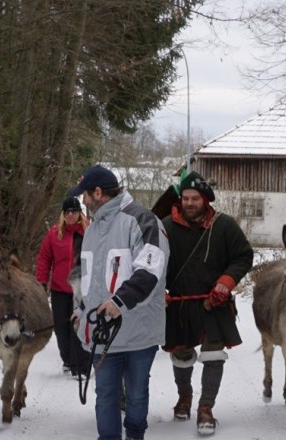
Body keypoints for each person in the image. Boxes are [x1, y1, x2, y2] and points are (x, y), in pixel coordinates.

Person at [68, 164, 169, 440]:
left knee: (136, 395)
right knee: (105, 394)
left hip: (139, 332)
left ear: (97, 192)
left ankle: (135, 434)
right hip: (102, 334)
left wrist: (120, 300)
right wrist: (80, 308)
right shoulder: (91, 231)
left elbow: (150, 268)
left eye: (84, 195)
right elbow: (85, 278)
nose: (83, 201)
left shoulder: (143, 220)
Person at [161, 171, 253, 436]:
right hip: (178, 304)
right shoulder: (165, 227)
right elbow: (152, 261)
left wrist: (226, 281)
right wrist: (158, 290)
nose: (189, 203)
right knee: (181, 355)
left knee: (213, 356)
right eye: (185, 198)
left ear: (205, 200)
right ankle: (185, 397)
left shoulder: (224, 225)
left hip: (214, 303)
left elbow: (243, 256)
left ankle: (205, 408)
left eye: (195, 199)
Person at [35, 196, 91, 378]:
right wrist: (41, 282)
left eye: (74, 211)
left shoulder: (89, 232)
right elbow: (44, 259)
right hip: (59, 288)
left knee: (78, 326)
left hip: (81, 288)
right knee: (61, 328)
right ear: (63, 214)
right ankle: (67, 360)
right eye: (67, 212)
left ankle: (81, 366)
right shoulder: (54, 234)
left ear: (80, 213)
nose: (70, 215)